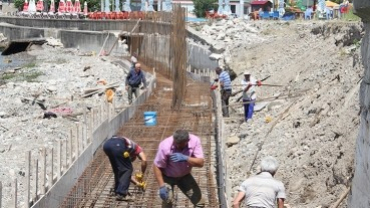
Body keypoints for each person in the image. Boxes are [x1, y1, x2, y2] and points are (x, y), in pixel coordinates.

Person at [153, 129, 205, 208]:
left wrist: (186, 158)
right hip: (167, 177)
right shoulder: (165, 145)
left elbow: (201, 163)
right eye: (176, 144)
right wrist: (162, 186)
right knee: (167, 201)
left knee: (199, 202)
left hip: (184, 176)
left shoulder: (195, 141)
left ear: (187, 141)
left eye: (181, 144)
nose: (177, 146)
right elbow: (157, 166)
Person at [103, 135, 147, 201]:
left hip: (107, 145)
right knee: (128, 169)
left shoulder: (127, 149)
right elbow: (144, 160)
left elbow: (125, 174)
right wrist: (142, 174)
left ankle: (117, 190)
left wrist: (137, 183)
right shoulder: (137, 148)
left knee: (118, 169)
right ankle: (121, 194)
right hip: (117, 145)